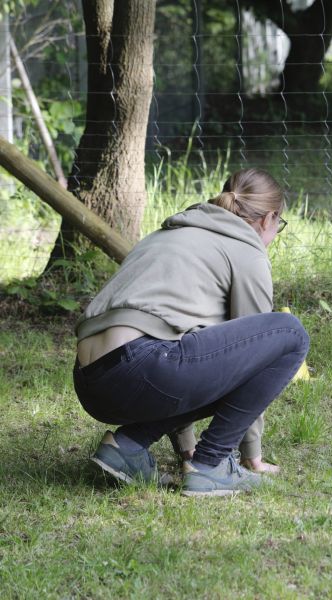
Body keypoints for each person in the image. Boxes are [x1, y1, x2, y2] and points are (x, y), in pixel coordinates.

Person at [73, 168, 310, 496]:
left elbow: (191, 354)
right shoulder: (246, 249)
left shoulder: (172, 232)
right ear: (269, 218)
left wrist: (186, 448)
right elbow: (253, 360)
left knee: (187, 352)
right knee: (291, 334)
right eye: (278, 226)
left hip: (91, 382)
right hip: (144, 366)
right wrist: (251, 455)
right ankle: (212, 465)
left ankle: (126, 447)